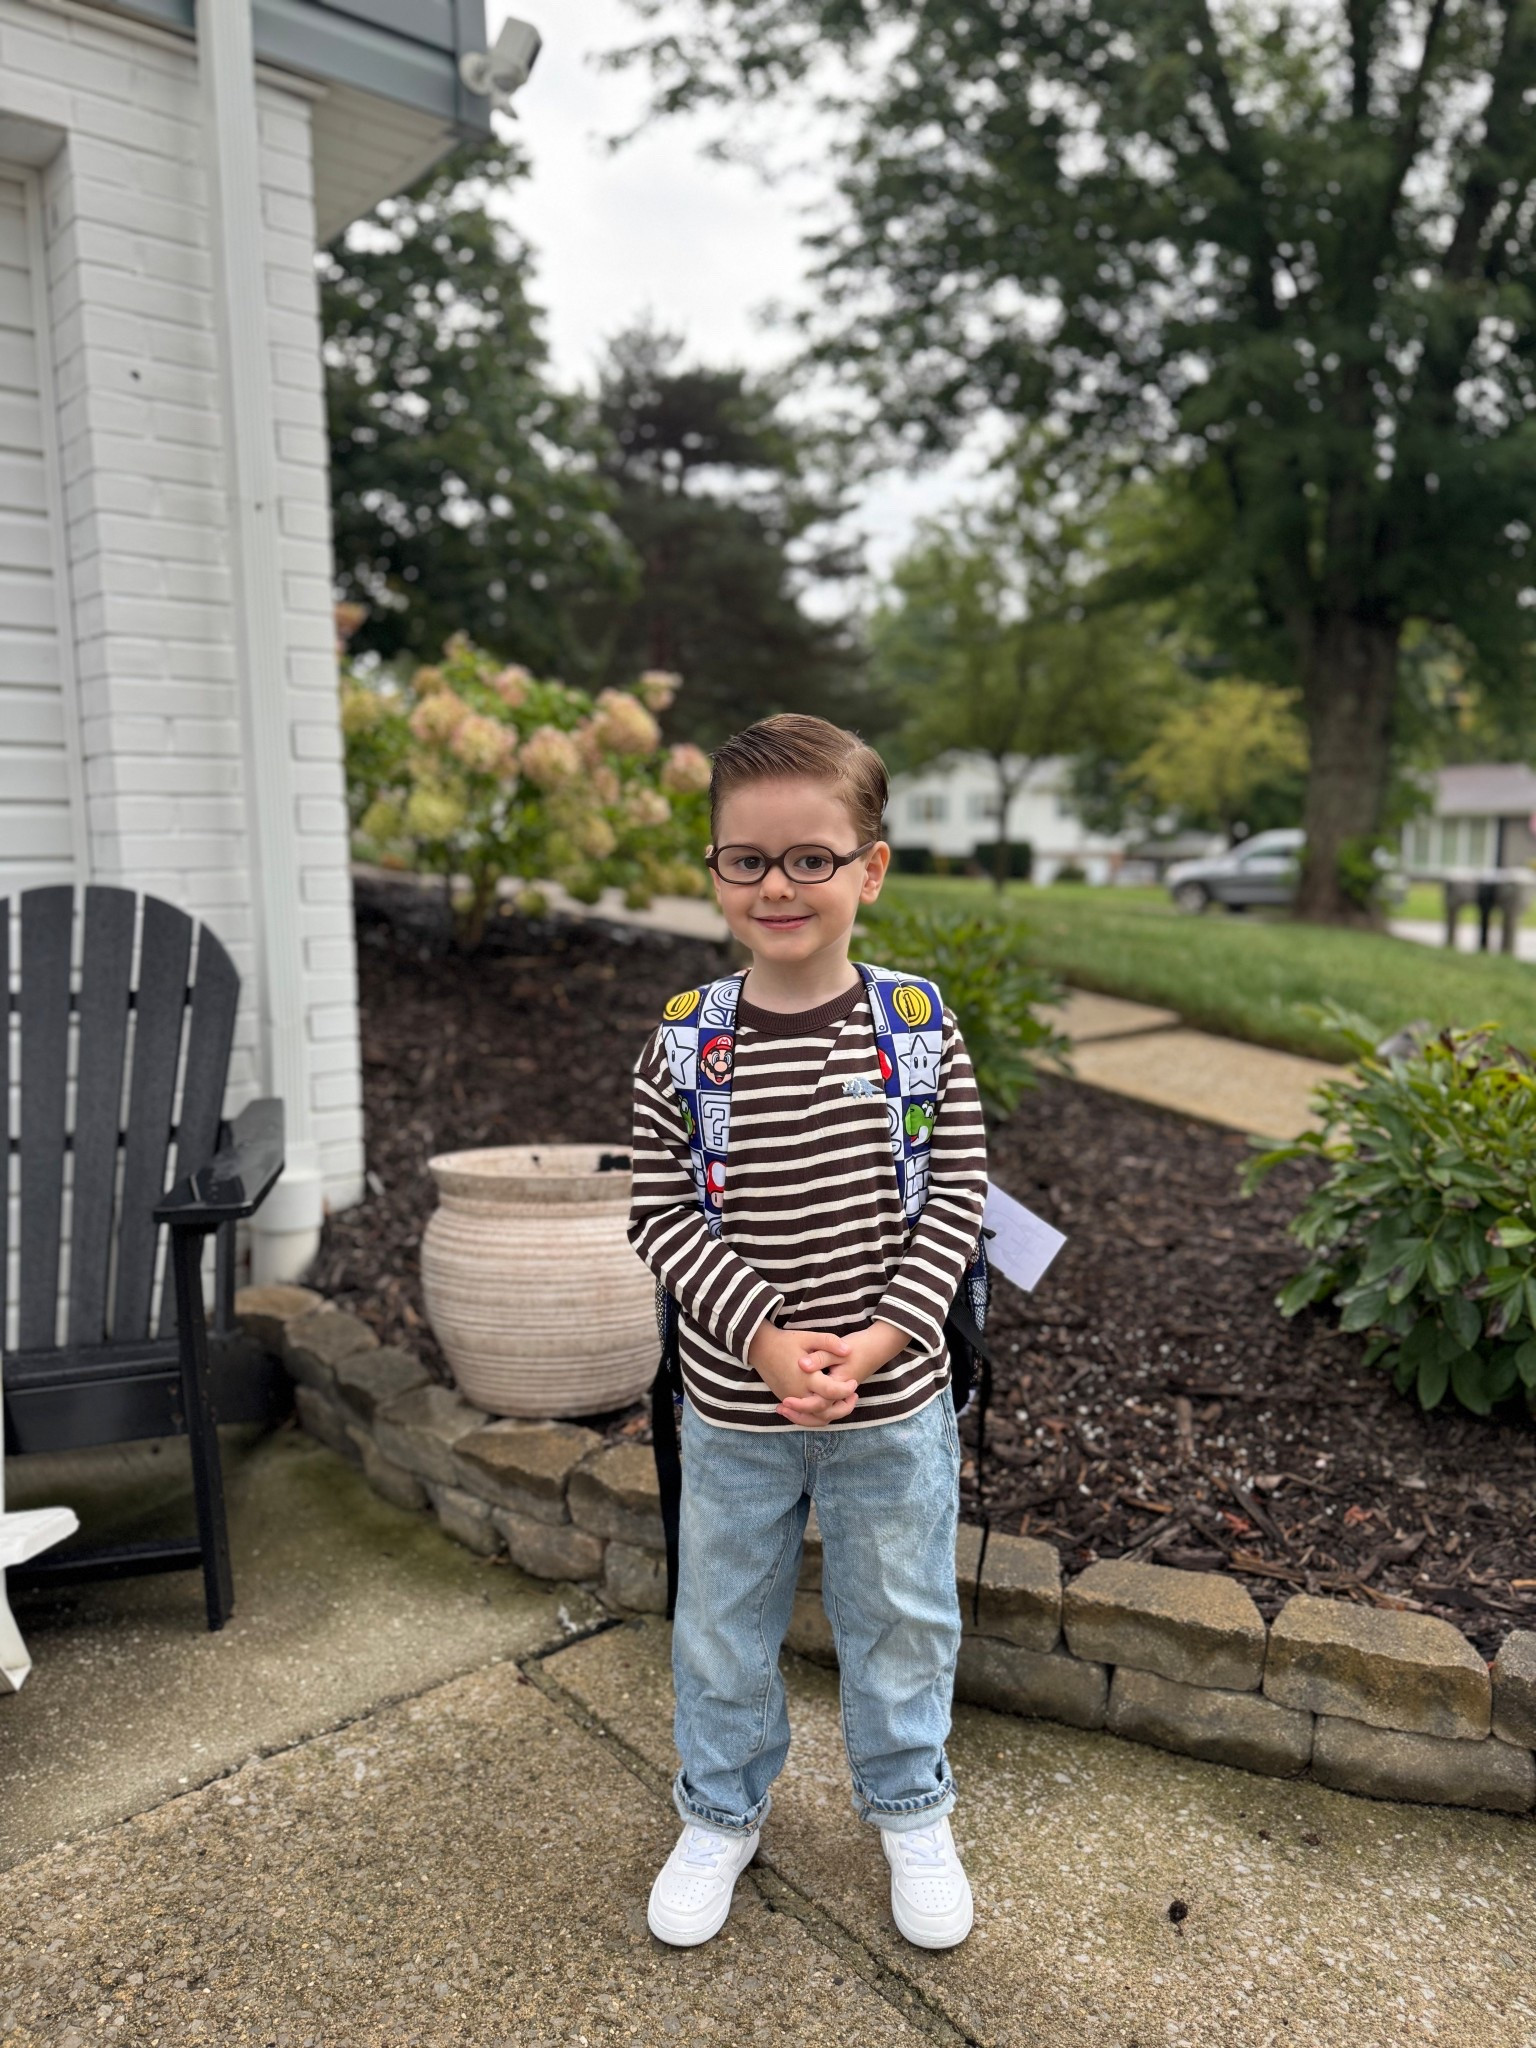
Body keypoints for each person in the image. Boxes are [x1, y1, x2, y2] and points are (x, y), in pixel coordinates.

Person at [627, 713, 989, 1951]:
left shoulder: (917, 1026)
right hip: (735, 1406)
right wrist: (768, 1339)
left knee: (901, 1612)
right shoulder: (685, 1042)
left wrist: (880, 1340)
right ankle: (720, 1809)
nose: (777, 884)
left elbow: (958, 1199)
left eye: (811, 857)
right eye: (747, 858)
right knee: (721, 1620)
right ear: (715, 866)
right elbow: (658, 1207)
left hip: (895, 1403)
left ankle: (910, 1807)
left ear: (870, 868)